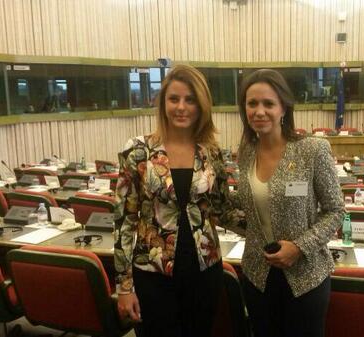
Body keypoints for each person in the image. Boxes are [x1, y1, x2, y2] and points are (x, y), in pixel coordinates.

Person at [114, 64, 242, 337]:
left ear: (201, 105)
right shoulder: (138, 151)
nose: (181, 107)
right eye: (174, 99)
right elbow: (125, 221)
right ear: (163, 103)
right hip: (152, 270)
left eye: (190, 99)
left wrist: (272, 227)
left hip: (205, 270)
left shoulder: (211, 152)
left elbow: (222, 211)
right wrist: (124, 288)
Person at [236, 69, 344, 337]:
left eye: (268, 104)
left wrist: (298, 248)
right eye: (252, 104)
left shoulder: (312, 150)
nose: (259, 111)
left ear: (283, 107)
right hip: (258, 275)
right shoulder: (246, 153)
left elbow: (336, 211)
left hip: (305, 276)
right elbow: (253, 211)